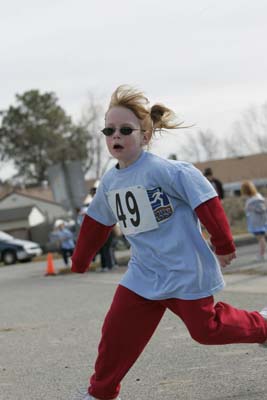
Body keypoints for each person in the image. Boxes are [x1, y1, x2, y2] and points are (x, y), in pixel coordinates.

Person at [71, 85, 267, 400]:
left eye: (125, 130)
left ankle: (262, 324)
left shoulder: (167, 171)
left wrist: (224, 243)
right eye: (109, 130)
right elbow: (96, 223)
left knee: (207, 331)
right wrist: (80, 260)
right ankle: (101, 392)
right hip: (144, 273)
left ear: (145, 136)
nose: (116, 136)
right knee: (116, 332)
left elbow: (206, 201)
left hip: (184, 269)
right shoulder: (108, 182)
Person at [241, 180, 267, 261]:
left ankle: (262, 255)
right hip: (258, 222)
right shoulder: (254, 198)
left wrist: (251, 208)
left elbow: (262, 209)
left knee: (261, 239)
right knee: (262, 239)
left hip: (258, 223)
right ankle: (262, 254)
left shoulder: (255, 199)